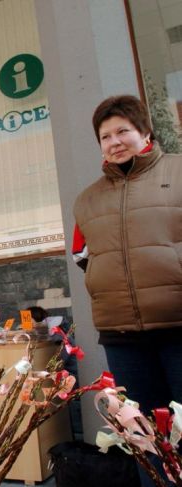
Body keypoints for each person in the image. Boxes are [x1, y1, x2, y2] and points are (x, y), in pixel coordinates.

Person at [72, 95, 182, 486]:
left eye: (123, 131)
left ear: (145, 132)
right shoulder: (88, 200)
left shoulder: (178, 172)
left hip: (178, 326)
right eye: (105, 136)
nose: (115, 141)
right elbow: (82, 256)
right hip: (123, 337)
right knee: (143, 436)